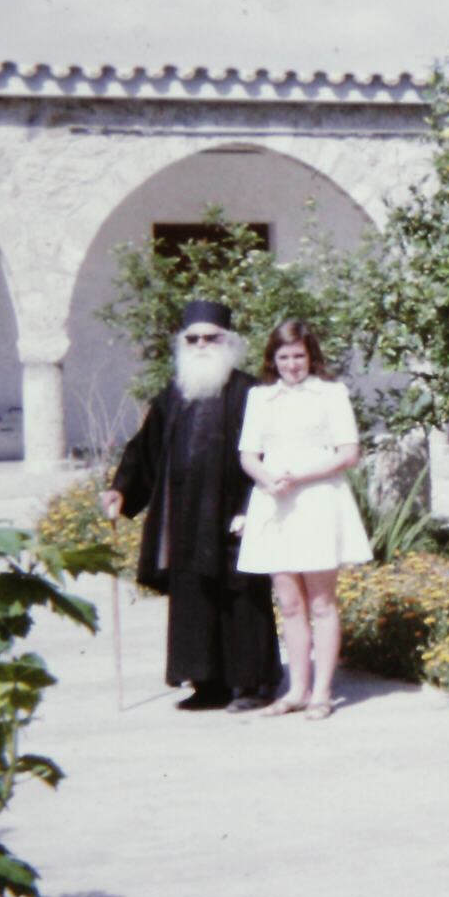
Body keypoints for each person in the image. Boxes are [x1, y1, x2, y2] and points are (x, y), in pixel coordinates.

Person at [99, 300, 281, 712]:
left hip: (236, 510)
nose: (202, 345)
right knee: (193, 594)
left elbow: (270, 454)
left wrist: (256, 507)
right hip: (184, 515)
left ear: (229, 342)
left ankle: (252, 683)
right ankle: (207, 683)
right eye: (193, 338)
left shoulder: (249, 392)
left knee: (242, 593)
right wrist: (122, 489)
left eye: (211, 338)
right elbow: (144, 450)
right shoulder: (173, 395)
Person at [237, 319, 372, 719]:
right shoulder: (260, 398)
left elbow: (348, 454)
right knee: (289, 603)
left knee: (321, 602)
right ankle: (296, 689)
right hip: (275, 504)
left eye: (299, 356)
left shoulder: (331, 394)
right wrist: (268, 479)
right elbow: (248, 455)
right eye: (284, 357)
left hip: (317, 501)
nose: (292, 365)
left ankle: (322, 693)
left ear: (310, 356)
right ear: (272, 359)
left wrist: (300, 477)